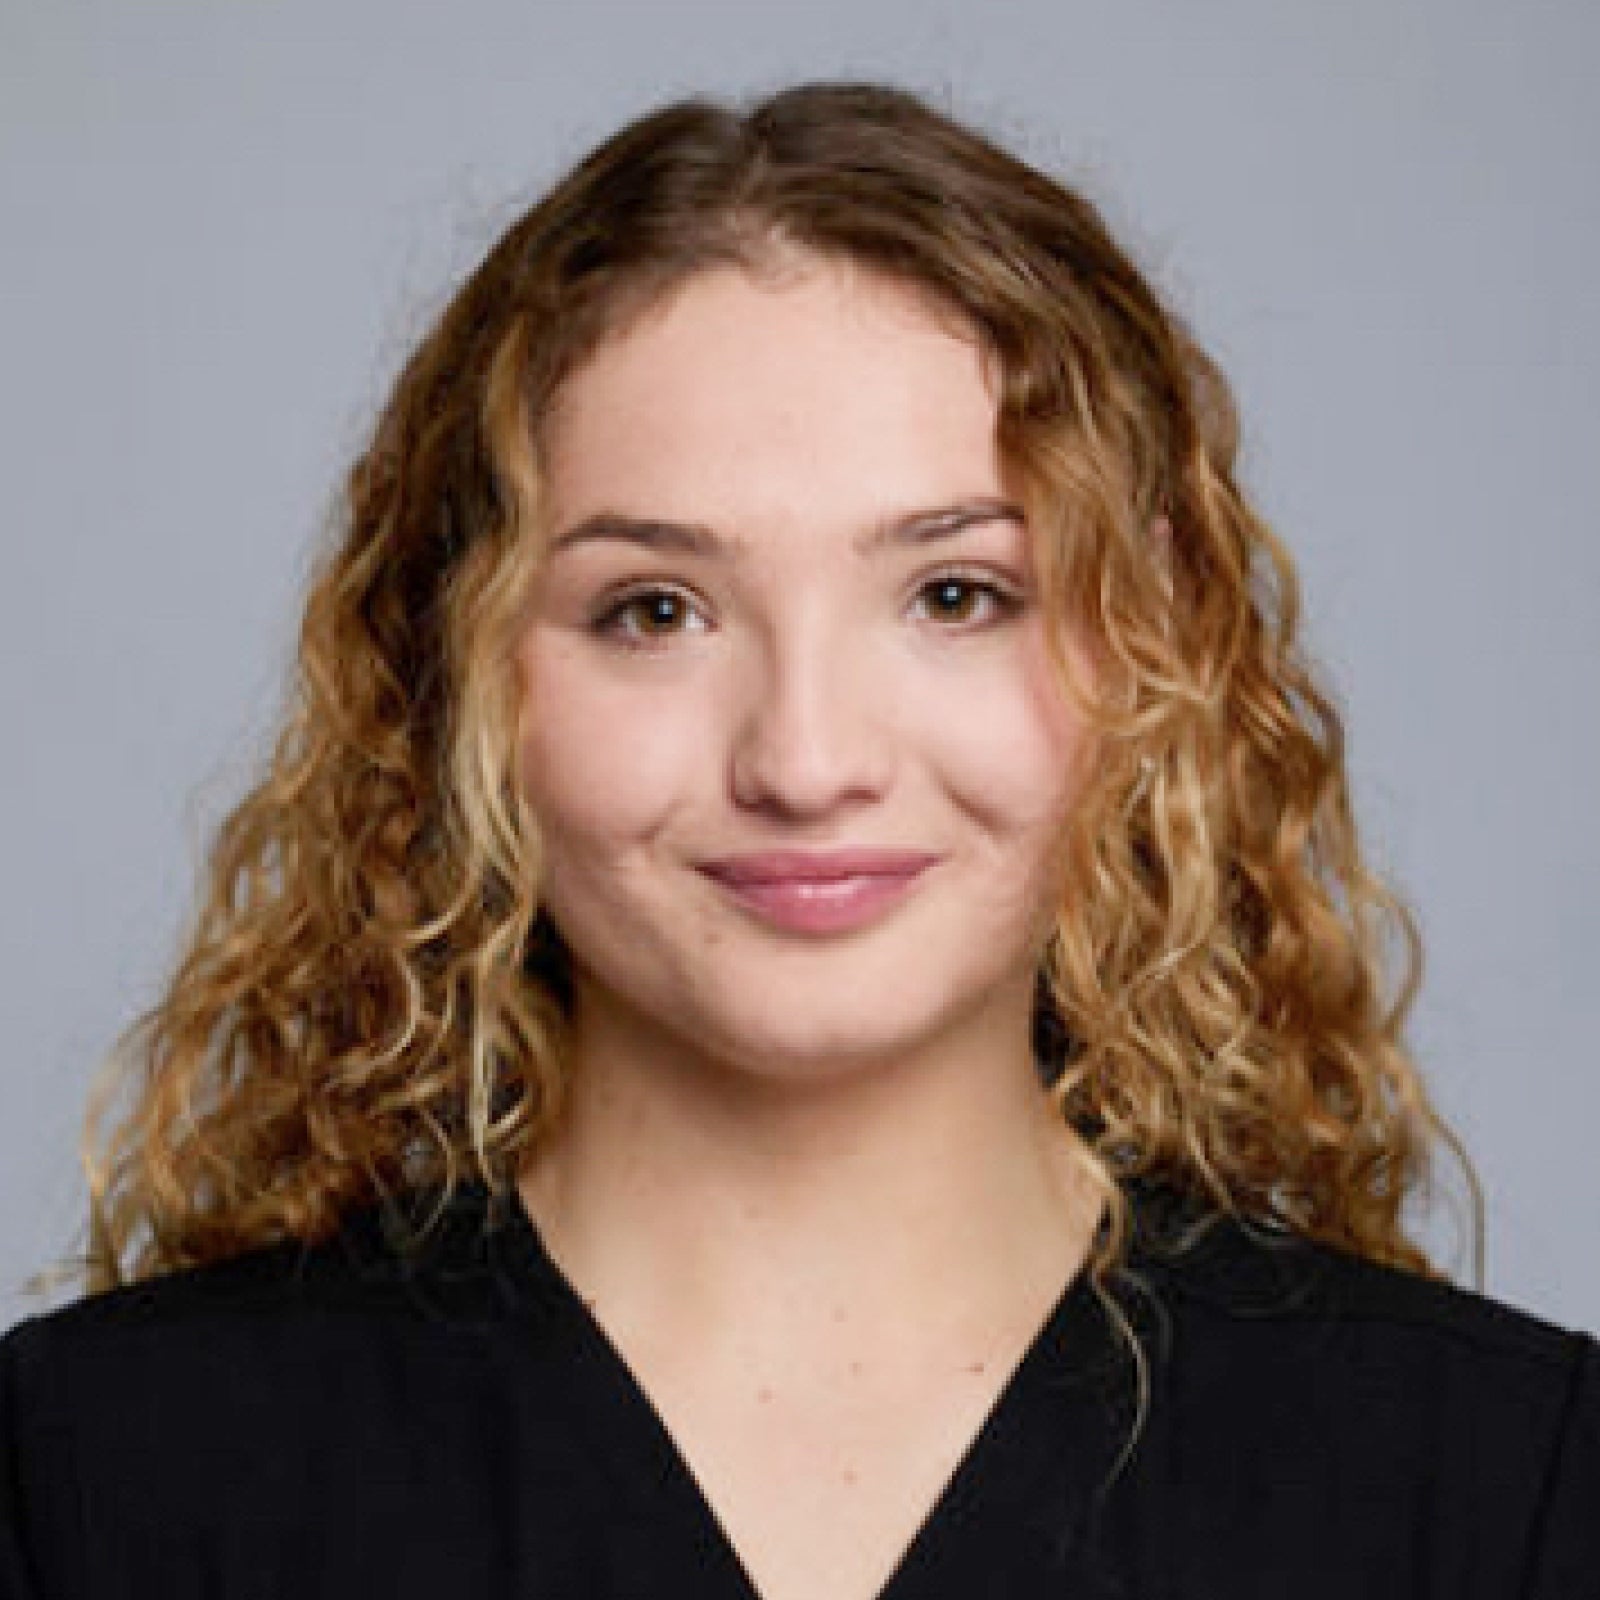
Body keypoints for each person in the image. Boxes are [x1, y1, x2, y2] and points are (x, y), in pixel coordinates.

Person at [2, 80, 1595, 1600]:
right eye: (656, 610)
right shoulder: (102, 1483)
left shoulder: (1506, 1491)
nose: (806, 759)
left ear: (1147, 644)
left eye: (955, 595)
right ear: (463, 678)